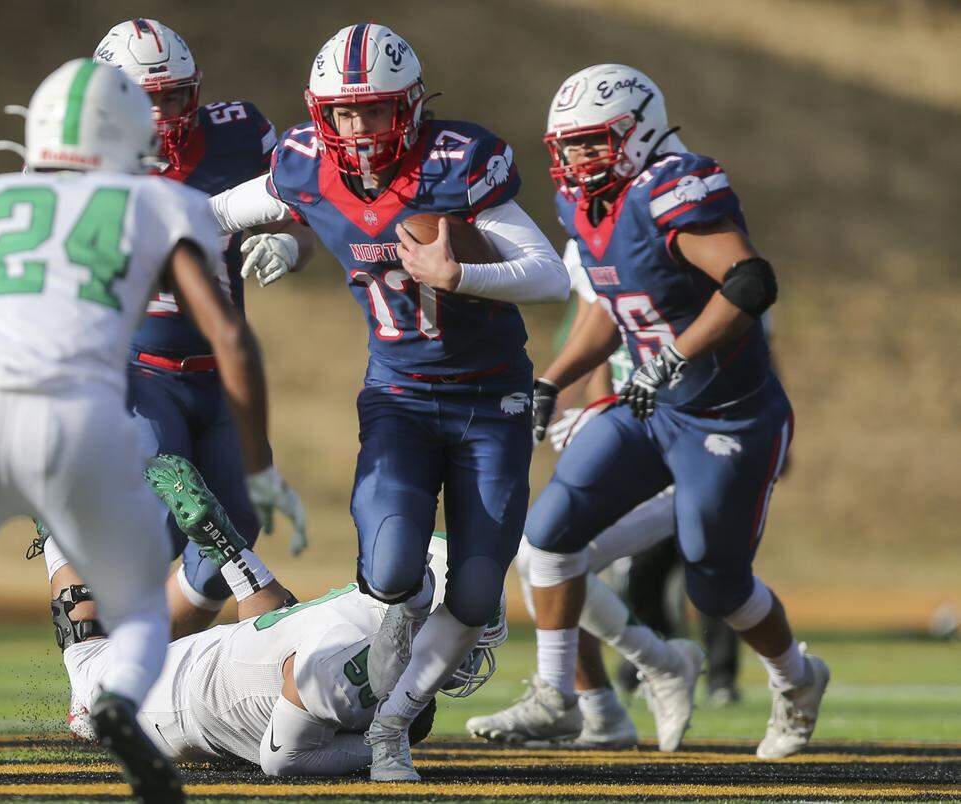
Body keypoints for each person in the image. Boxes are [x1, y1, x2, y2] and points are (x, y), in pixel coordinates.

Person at [0, 58, 276, 802]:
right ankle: (116, 706)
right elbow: (227, 334)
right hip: (83, 426)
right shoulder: (161, 208)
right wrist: (259, 466)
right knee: (132, 622)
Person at [207, 23, 569, 780]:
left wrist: (459, 273)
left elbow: (548, 275)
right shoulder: (305, 166)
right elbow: (214, 213)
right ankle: (389, 689)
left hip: (490, 401)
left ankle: (393, 725)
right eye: (344, 113)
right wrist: (279, 242)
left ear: (408, 107)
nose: (359, 128)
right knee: (396, 570)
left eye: (374, 111)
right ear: (321, 114)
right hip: (400, 397)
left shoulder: (456, 160)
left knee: (473, 598)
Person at [482, 64, 828, 761]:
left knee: (715, 582)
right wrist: (553, 379)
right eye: (569, 145)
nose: (578, 159)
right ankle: (560, 695)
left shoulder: (673, 184)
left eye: (592, 142)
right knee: (547, 537)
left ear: (637, 133)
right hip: (651, 408)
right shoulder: (587, 205)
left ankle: (796, 677)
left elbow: (750, 280)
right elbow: (612, 311)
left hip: (728, 416)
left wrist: (676, 355)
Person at [27, 19, 313, 650]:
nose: (160, 113)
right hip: (136, 369)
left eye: (174, 95)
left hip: (218, 372)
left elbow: (312, 212)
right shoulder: (74, 162)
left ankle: (137, 666)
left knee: (225, 543)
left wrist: (289, 247)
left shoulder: (242, 135)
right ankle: (69, 566)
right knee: (159, 521)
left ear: (196, 92)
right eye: (143, 97)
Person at [53, 454, 504, 776]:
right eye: (468, 627)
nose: (470, 646)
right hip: (160, 705)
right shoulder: (352, 666)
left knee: (278, 634)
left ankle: (224, 545)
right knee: (87, 665)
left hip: (232, 656)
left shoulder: (373, 610)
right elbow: (283, 759)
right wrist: (388, 740)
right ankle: (54, 517)